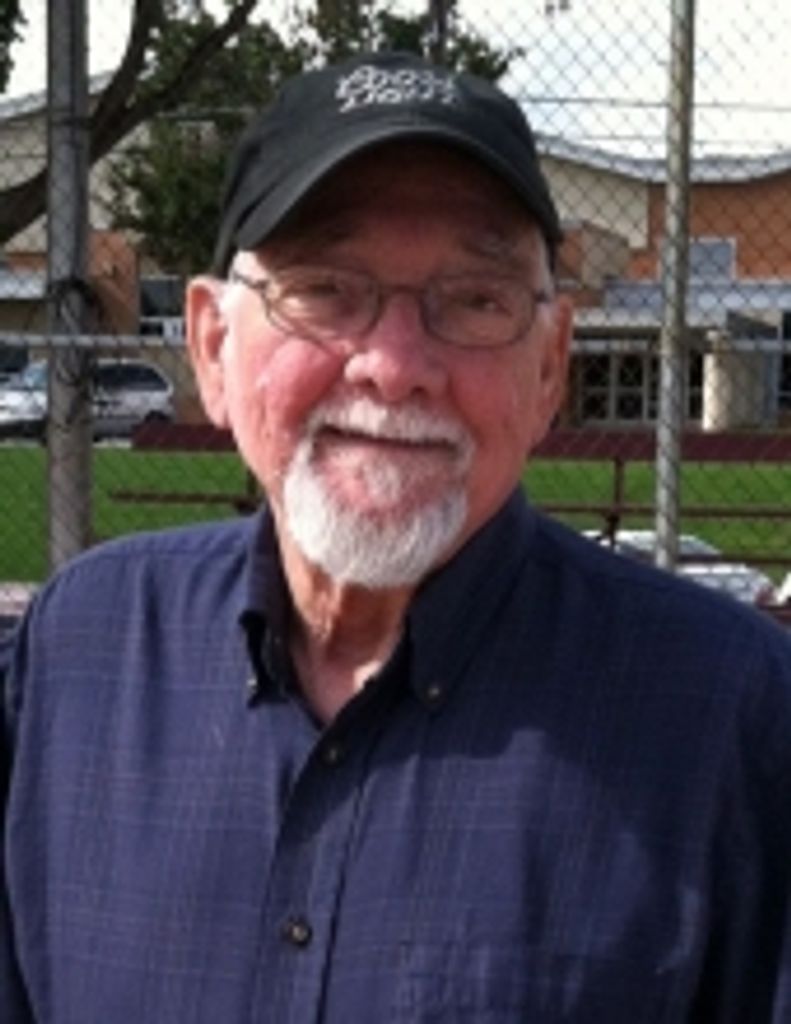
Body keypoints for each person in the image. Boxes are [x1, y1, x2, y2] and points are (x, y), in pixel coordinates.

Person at [2, 50, 790, 1024]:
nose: (393, 364)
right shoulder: (80, 653)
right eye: (325, 289)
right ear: (211, 345)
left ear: (550, 367)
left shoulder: (730, 717)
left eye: (474, 299)